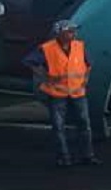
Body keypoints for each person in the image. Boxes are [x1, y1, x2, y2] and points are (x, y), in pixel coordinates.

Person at [22, 20, 97, 166]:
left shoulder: (79, 46)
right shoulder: (47, 49)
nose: (73, 33)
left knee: (84, 124)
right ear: (59, 33)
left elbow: (89, 64)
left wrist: (85, 80)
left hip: (77, 92)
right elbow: (29, 61)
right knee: (58, 127)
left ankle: (88, 156)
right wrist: (44, 76)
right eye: (70, 31)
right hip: (57, 93)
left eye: (74, 31)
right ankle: (64, 157)